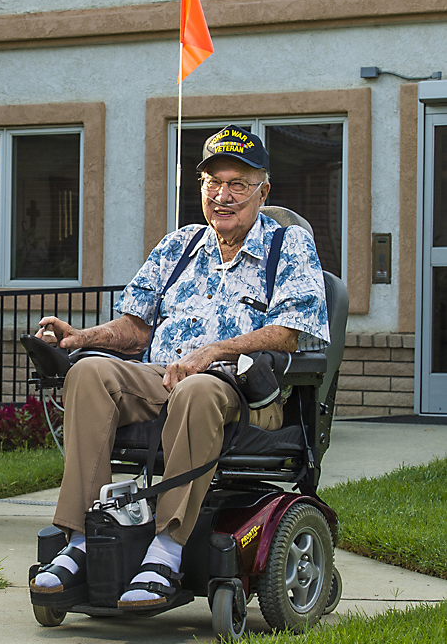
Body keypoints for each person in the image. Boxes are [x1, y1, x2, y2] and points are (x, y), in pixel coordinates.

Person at [29, 125, 329, 610]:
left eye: (238, 184)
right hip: (163, 375)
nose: (223, 195)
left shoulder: (287, 245)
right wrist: (81, 338)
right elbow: (136, 327)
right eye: (214, 183)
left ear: (263, 191)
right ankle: (82, 541)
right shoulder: (179, 245)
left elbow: (289, 332)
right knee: (86, 373)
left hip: (244, 390)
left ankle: (165, 552)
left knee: (197, 389)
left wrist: (212, 353)